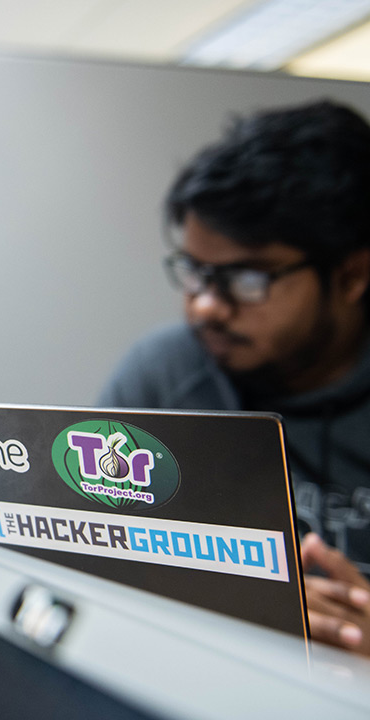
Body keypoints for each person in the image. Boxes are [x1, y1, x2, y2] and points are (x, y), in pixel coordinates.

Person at [98, 100, 370, 656]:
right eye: (196, 271)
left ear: (351, 275)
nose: (203, 308)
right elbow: (94, 573)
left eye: (246, 280)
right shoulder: (163, 376)